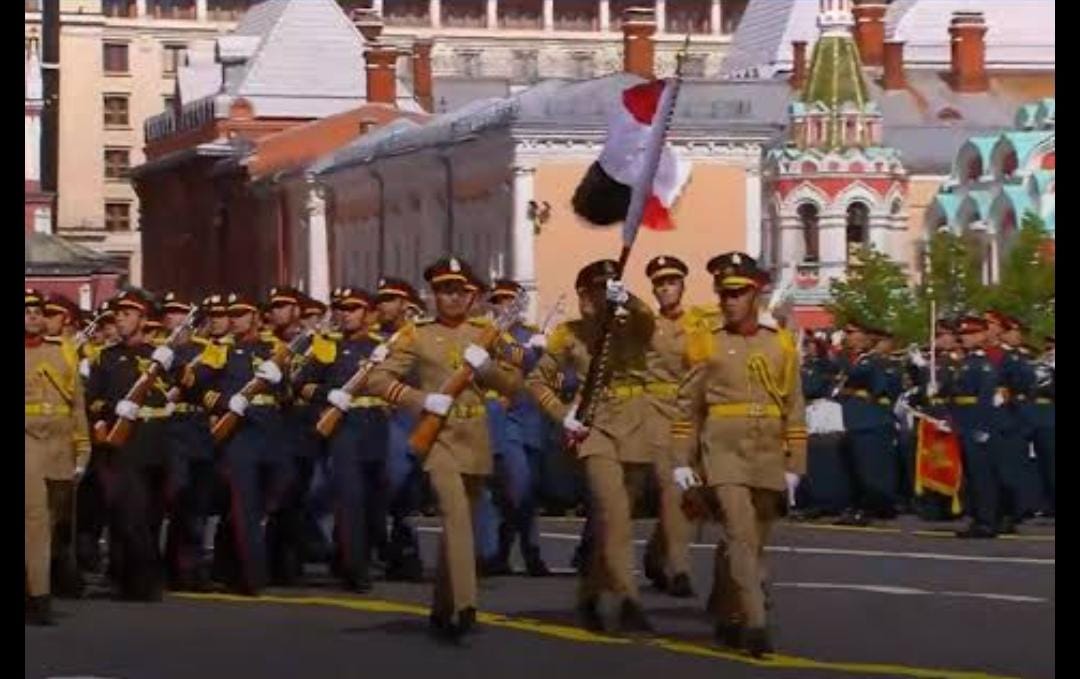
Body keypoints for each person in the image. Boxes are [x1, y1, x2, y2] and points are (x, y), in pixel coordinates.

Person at [368, 257, 522, 640]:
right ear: (433, 295)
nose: (451, 298)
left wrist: (487, 370)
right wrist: (420, 399)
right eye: (443, 291)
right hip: (437, 436)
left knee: (463, 522)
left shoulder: (488, 333)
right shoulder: (416, 334)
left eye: (458, 291)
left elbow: (514, 385)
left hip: (476, 434)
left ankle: (441, 605)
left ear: (472, 296)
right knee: (454, 516)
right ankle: (466, 604)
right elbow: (377, 379)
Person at [668, 252, 806, 657]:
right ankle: (755, 621)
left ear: (756, 294)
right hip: (723, 452)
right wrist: (681, 460)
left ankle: (728, 610)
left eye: (738, 293)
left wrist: (795, 464)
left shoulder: (778, 343)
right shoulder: (707, 341)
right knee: (741, 534)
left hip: (766, 453)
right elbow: (687, 407)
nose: (729, 301)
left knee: (753, 541)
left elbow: (793, 406)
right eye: (724, 294)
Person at [527, 259, 656, 633]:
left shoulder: (629, 324)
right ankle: (629, 599)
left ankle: (589, 590)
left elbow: (648, 323)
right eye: (596, 290)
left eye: (609, 288)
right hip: (595, 425)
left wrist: (629, 300)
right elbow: (538, 380)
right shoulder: (569, 334)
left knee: (614, 520)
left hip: (635, 420)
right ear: (584, 296)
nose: (602, 296)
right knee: (613, 512)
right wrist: (562, 413)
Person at [296, 287, 389, 592]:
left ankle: (355, 556)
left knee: (375, 502)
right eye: (341, 308)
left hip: (376, 428)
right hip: (344, 429)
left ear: (367, 313)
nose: (345, 313)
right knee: (350, 500)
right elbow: (301, 383)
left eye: (353, 308)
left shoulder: (382, 346)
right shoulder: (328, 346)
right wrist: (327, 394)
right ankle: (355, 568)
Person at [85, 290, 174, 601]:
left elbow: (185, 391)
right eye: (117, 315)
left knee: (151, 515)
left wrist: (176, 370)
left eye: (127, 314)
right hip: (125, 443)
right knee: (130, 514)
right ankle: (142, 582)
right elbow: (92, 399)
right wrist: (108, 415)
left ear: (143, 319)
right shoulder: (107, 357)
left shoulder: (160, 356)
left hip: (158, 442)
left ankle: (131, 576)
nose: (120, 319)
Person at [26, 288, 92, 624]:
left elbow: (76, 403)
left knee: (50, 523)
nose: (33, 316)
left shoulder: (63, 351)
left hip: (58, 445)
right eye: (26, 311)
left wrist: (83, 447)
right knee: (35, 519)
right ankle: (39, 597)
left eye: (37, 310)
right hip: (27, 442)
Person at [640, 255, 702, 597]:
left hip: (690, 414)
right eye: (660, 284)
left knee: (689, 493)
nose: (666, 289)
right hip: (656, 412)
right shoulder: (646, 325)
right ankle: (679, 568)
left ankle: (654, 554)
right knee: (671, 486)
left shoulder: (699, 324)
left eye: (672, 282)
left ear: (682, 285)